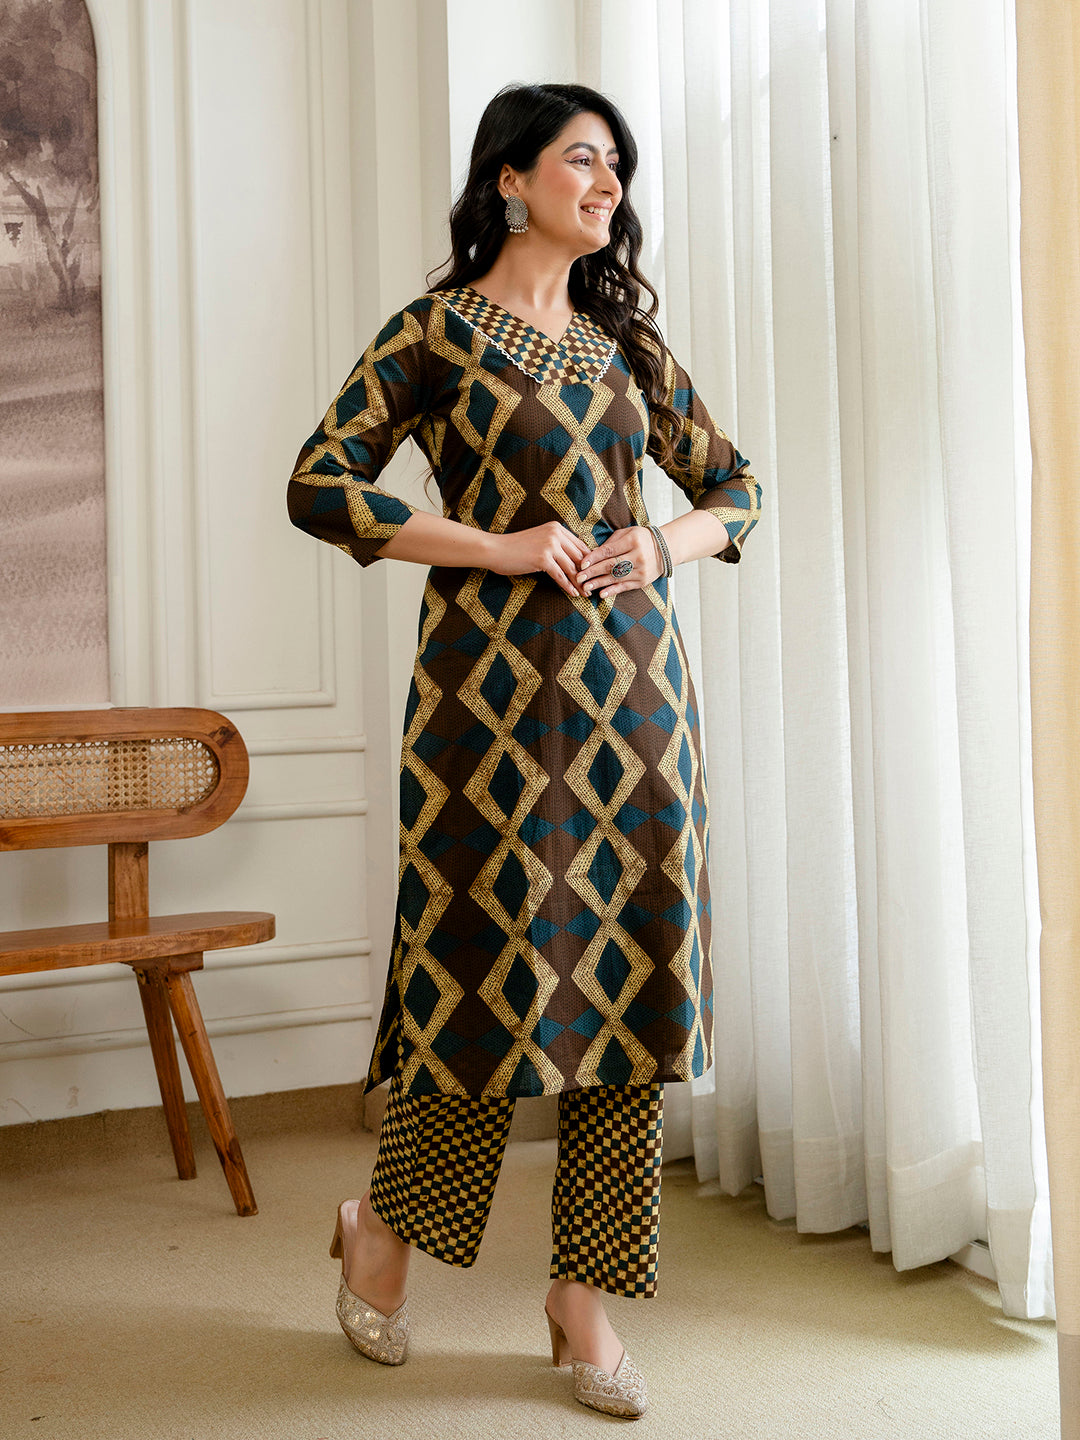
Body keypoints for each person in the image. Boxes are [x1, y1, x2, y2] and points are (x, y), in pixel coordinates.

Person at [287, 80, 760, 1420]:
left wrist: (659, 542)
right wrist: (494, 546)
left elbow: (737, 489)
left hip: (638, 705)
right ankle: (383, 1239)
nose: (607, 186)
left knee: (630, 987)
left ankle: (581, 1300)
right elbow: (321, 483)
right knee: (479, 980)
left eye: (618, 168)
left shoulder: (625, 344)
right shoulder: (434, 332)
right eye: (582, 160)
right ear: (509, 178)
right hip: (483, 710)